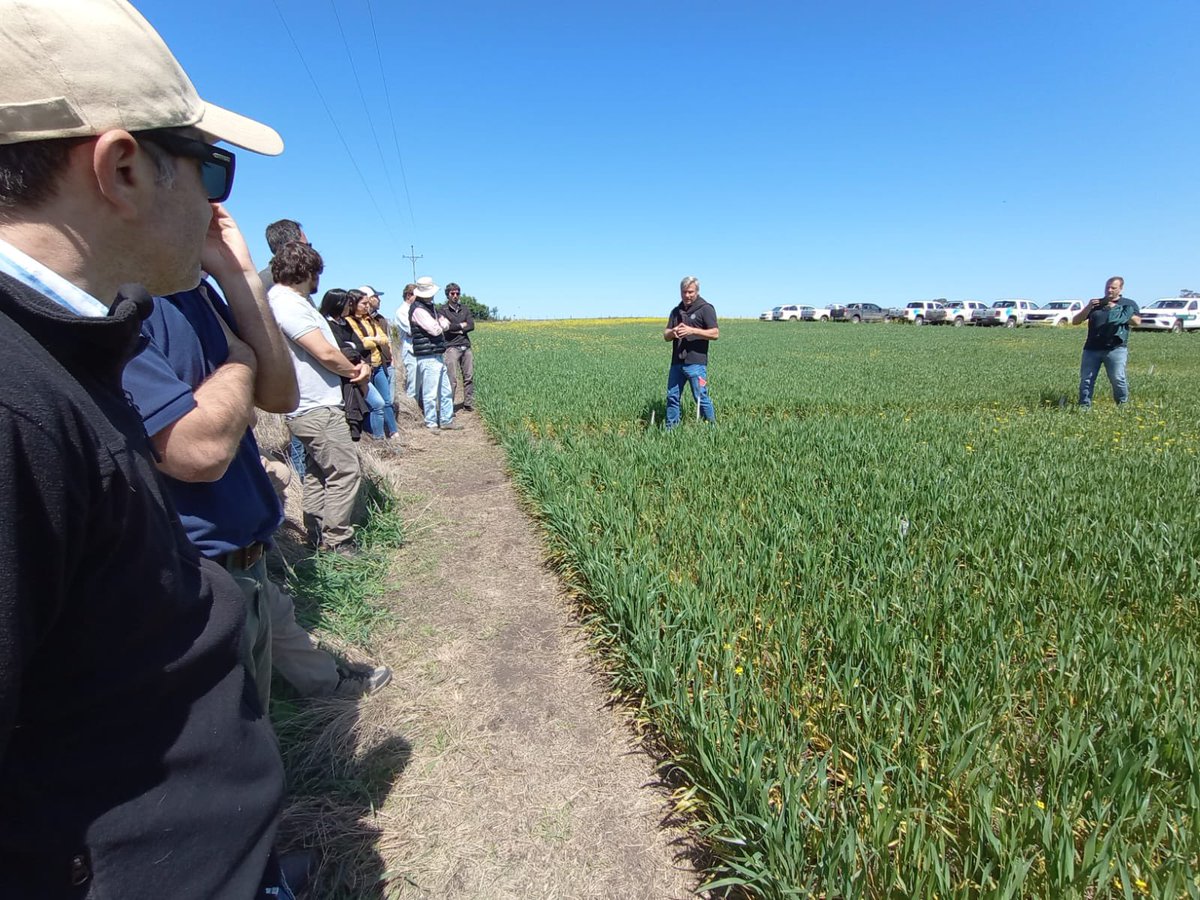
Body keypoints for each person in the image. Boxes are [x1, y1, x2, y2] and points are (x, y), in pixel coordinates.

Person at [0, 0, 293, 894]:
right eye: (210, 167)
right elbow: (198, 450)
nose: (214, 203)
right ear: (122, 167)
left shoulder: (65, 345)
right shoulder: (19, 395)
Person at [123, 264, 392, 709]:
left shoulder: (199, 293)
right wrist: (240, 361)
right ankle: (335, 541)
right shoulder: (125, 305)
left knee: (273, 613)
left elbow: (273, 398)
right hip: (197, 552)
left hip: (242, 534)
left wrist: (236, 275)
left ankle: (326, 683)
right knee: (234, 702)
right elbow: (202, 449)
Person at [268, 242, 370, 552]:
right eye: (317, 273)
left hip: (310, 406)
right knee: (345, 470)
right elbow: (324, 352)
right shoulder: (287, 304)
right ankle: (338, 541)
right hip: (316, 407)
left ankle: (316, 536)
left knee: (318, 474)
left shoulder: (288, 302)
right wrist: (354, 372)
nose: (318, 281)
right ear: (308, 271)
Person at [321, 287, 386, 441]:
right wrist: (351, 347)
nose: (349, 307)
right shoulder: (326, 324)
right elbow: (339, 348)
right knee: (349, 411)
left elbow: (359, 345)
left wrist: (351, 348)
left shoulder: (345, 323)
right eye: (347, 304)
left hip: (358, 370)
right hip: (341, 375)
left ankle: (378, 440)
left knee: (378, 403)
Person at [1071, 275, 1141, 407]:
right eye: (1107, 287)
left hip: (1116, 349)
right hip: (1092, 348)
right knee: (1086, 379)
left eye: (1113, 288)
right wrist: (1088, 307)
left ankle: (1123, 405)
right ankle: (1084, 406)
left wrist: (1116, 308)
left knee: (1117, 378)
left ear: (1120, 289)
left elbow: (1137, 322)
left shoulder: (1128, 304)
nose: (1109, 290)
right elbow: (1075, 321)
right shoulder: (1096, 304)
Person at [663, 275, 719, 427]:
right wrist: (672, 332)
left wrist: (692, 331)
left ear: (697, 291)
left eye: (690, 292)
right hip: (677, 362)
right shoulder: (676, 311)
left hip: (696, 363)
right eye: (684, 292)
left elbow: (715, 333)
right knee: (672, 396)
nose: (687, 295)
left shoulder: (705, 308)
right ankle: (671, 430)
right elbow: (665, 335)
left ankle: (711, 428)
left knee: (700, 396)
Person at [410, 276, 462, 430]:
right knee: (430, 392)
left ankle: (446, 420)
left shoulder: (430, 307)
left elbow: (445, 323)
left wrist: (440, 324)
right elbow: (435, 329)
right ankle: (431, 422)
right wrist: (441, 324)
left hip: (436, 353)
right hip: (427, 355)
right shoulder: (418, 309)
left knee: (445, 390)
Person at [347, 285, 399, 439]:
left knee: (386, 400)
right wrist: (374, 340)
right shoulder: (349, 322)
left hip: (379, 364)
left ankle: (392, 431)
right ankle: (377, 437)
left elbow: (384, 338)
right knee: (374, 403)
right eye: (364, 303)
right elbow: (360, 343)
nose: (367, 306)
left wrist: (373, 340)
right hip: (365, 366)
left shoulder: (370, 319)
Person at [440, 281, 476, 410]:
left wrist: (456, 328)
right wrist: (461, 325)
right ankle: (449, 407)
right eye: (452, 293)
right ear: (447, 295)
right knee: (452, 378)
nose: (455, 296)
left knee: (469, 376)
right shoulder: (442, 310)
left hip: (465, 345)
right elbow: (446, 328)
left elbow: (471, 325)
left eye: (457, 293)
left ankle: (468, 403)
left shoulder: (464, 308)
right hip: (451, 347)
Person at [258, 217, 308, 291]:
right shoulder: (268, 283)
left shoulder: (260, 281)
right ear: (292, 247)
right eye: (307, 246)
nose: (310, 252)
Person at [396, 282, 419, 405]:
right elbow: (411, 330)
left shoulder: (417, 309)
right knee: (413, 379)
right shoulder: (402, 311)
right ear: (409, 295)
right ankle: (413, 406)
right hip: (410, 349)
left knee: (421, 380)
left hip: (419, 348)